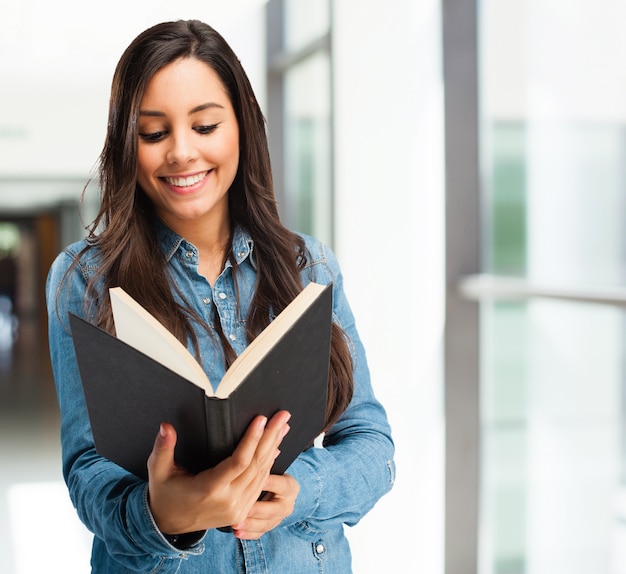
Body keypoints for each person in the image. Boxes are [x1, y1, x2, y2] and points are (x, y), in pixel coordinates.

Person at [46, 19, 394, 573]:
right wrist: (164, 515)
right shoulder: (83, 280)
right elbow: (89, 472)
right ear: (125, 146)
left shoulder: (311, 266)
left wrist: (300, 488)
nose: (182, 153)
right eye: (154, 133)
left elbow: (372, 446)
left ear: (242, 128)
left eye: (205, 125)